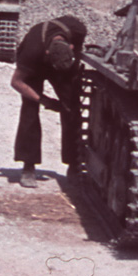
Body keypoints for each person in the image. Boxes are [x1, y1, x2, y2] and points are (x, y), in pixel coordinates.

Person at [10, 15, 87, 188]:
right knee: (30, 109)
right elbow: (16, 82)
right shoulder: (33, 50)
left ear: (71, 46)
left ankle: (73, 163)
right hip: (36, 66)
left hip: (63, 67)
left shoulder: (77, 30)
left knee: (72, 108)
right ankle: (28, 166)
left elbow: (77, 58)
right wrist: (44, 100)